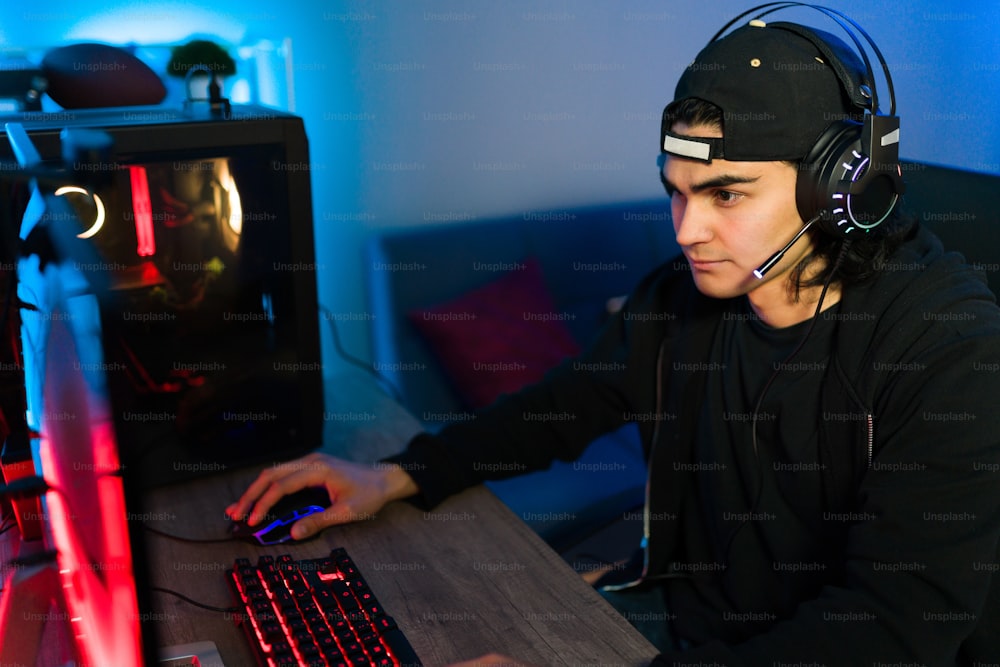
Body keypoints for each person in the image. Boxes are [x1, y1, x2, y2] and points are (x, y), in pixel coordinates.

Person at [227, 6, 1000, 666]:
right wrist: (396, 475)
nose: (689, 229)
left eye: (726, 193)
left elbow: (894, 627)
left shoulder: (949, 344)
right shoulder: (679, 300)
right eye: (677, 192)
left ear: (843, 188)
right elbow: (565, 405)